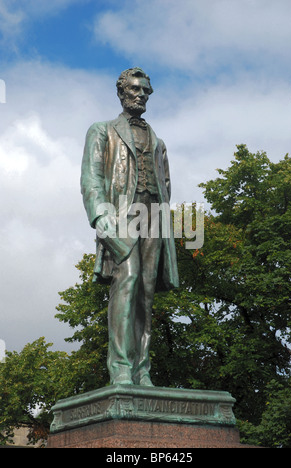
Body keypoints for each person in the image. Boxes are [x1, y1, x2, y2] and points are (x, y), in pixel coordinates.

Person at [81, 67, 179, 386]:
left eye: (145, 91)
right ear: (122, 92)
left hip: (153, 217)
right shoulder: (102, 131)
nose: (141, 95)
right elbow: (91, 180)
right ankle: (121, 366)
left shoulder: (158, 141)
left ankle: (143, 369)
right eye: (135, 89)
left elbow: (165, 183)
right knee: (128, 279)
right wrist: (101, 218)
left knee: (146, 294)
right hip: (121, 215)